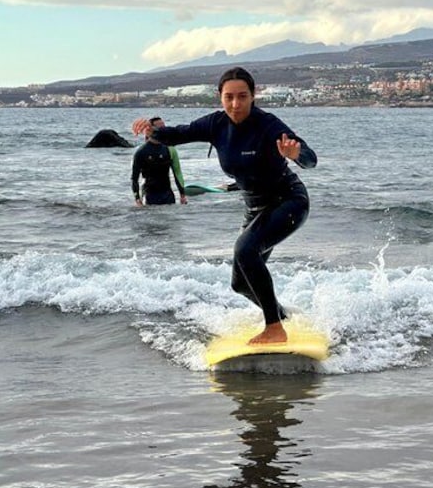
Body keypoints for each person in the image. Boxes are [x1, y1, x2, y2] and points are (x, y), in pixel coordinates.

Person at [131, 67, 317, 345]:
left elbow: (311, 158)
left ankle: (274, 328)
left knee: (245, 250)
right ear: (220, 97)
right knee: (240, 284)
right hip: (255, 209)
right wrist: (151, 131)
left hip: (288, 201)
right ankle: (282, 316)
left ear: (253, 96)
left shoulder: (268, 125)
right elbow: (178, 134)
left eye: (242, 96)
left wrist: (296, 153)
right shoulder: (215, 124)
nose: (235, 104)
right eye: (229, 97)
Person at [131, 117, 188, 206]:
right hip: (149, 195)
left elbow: (177, 173)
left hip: (168, 195)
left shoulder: (170, 149)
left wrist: (182, 195)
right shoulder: (141, 152)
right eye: (160, 128)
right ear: (150, 130)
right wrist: (137, 199)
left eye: (164, 127)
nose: (163, 130)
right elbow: (134, 178)